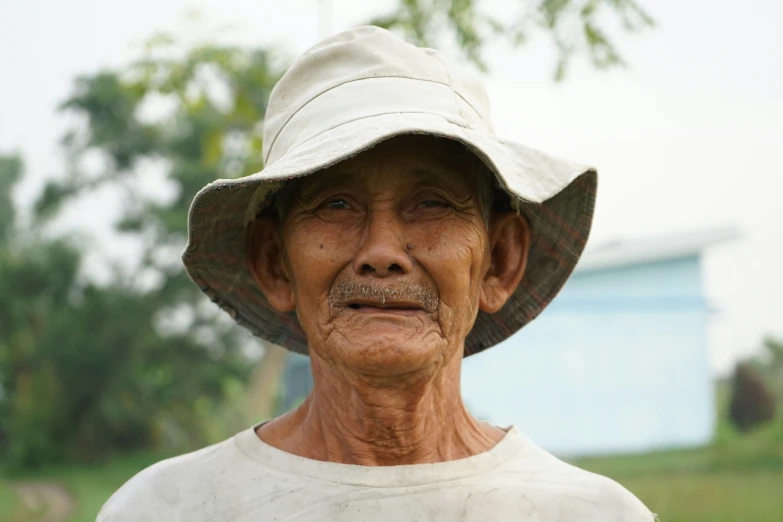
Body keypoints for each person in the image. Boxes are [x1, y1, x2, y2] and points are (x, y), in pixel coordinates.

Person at [98, 26, 655, 521]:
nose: (383, 251)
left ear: (499, 261)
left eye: (432, 203)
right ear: (275, 262)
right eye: (336, 205)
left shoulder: (594, 514)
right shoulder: (164, 509)